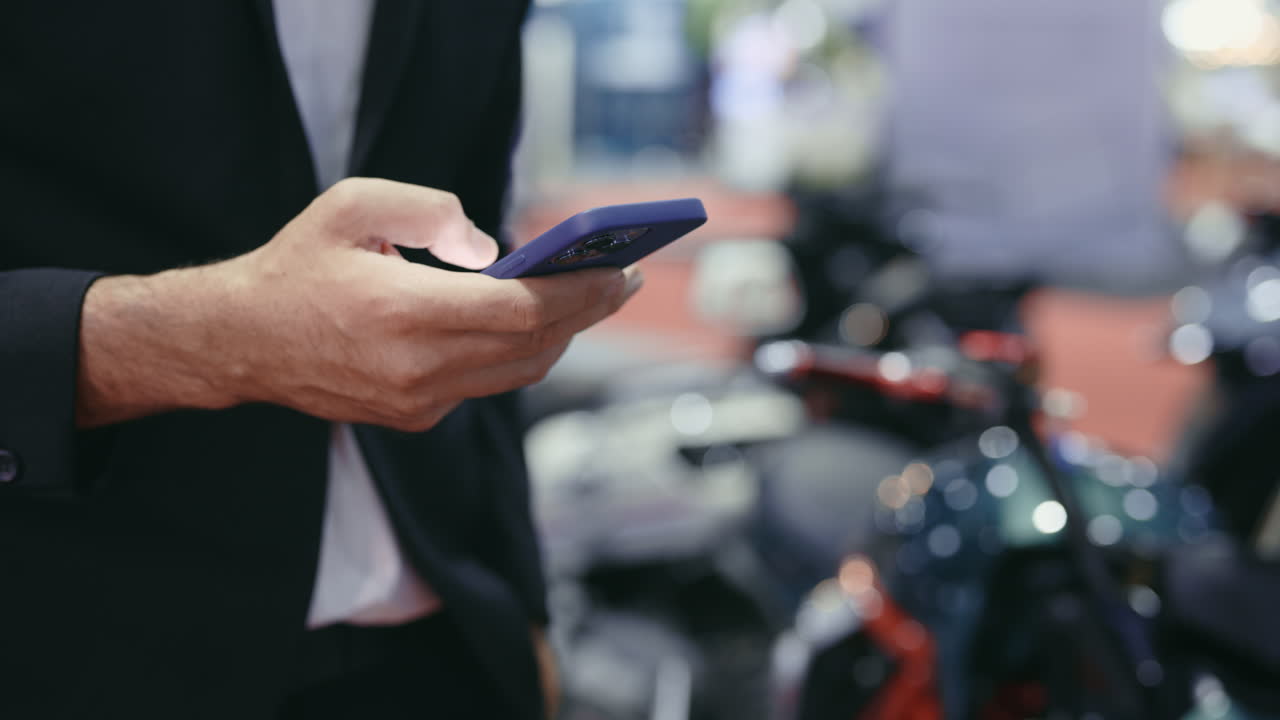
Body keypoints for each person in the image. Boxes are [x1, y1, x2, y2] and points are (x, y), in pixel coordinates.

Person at [0, 2, 636, 718]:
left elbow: (477, 229)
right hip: (78, 641)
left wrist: (522, 603)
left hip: (448, 645)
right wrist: (210, 339)